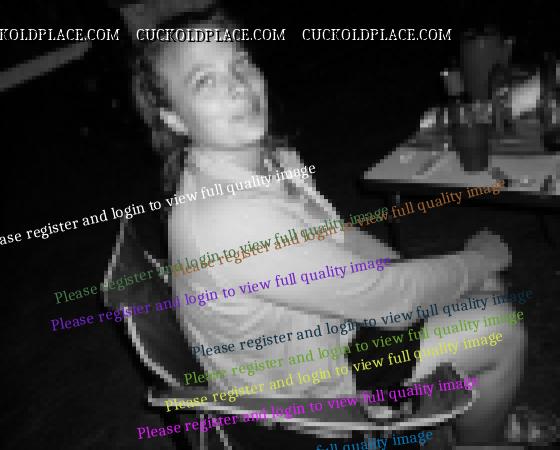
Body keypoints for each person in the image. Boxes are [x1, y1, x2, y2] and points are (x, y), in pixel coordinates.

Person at [132, 8, 528, 447]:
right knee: (500, 327)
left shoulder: (267, 158)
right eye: (205, 81)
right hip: (308, 399)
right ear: (173, 118)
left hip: (332, 330)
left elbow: (338, 236)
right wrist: (475, 261)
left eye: (240, 61)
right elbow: (391, 304)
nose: (239, 85)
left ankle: (482, 419)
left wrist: (416, 279)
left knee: (480, 289)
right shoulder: (229, 220)